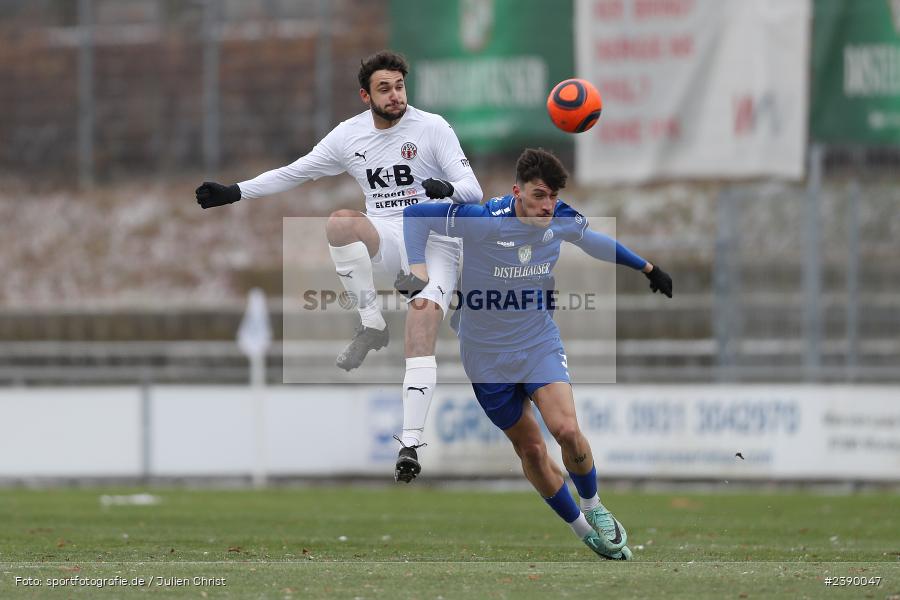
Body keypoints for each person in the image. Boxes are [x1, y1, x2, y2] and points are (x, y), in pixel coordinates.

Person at [195, 50, 483, 483]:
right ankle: (371, 324)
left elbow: (473, 190)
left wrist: (447, 188)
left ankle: (409, 444)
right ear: (366, 96)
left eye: (399, 86)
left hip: (437, 240)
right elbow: (296, 171)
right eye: (384, 88)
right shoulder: (349, 136)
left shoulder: (433, 127)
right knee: (339, 224)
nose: (395, 95)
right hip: (388, 235)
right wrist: (236, 191)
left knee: (421, 326)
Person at [395, 148, 673, 559]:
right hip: (485, 357)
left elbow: (593, 241)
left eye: (553, 197)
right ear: (517, 192)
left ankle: (594, 507)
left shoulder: (558, 218)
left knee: (566, 430)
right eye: (539, 195)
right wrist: (418, 271)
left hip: (537, 342)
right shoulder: (484, 220)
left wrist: (647, 268)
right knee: (531, 451)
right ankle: (584, 532)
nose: (547, 206)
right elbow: (416, 216)